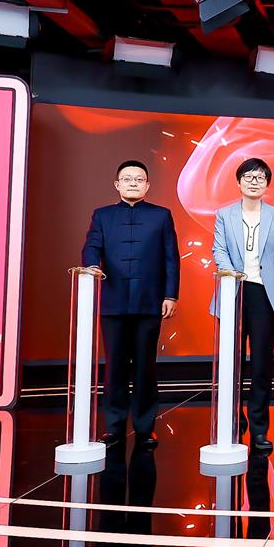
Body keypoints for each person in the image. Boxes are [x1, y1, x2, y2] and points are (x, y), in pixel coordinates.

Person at [82, 160, 179, 450]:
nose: (133, 183)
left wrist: (170, 295)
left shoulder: (161, 215)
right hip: (112, 301)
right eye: (127, 179)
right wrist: (91, 265)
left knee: (145, 367)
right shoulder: (102, 215)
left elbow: (171, 257)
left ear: (147, 185)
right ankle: (113, 427)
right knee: (114, 367)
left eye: (139, 179)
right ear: (117, 184)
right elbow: (91, 246)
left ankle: (145, 428)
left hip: (149, 302)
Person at [212, 157, 274, 454]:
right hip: (233, 290)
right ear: (239, 182)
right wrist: (229, 272)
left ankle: (259, 429)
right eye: (248, 176)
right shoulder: (224, 214)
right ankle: (233, 422)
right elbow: (218, 249)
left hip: (264, 294)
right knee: (231, 363)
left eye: (260, 177)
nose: (254, 182)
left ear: (267, 183)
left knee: (261, 364)